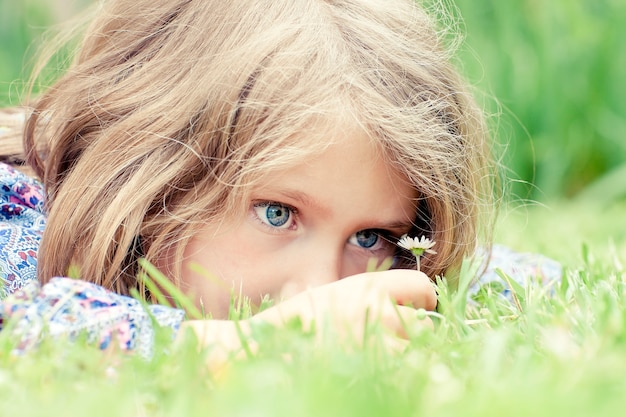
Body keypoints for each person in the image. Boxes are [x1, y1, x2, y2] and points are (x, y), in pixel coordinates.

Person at [0, 0, 559, 361]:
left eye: (370, 238)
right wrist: (251, 345)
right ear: (146, 175)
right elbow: (26, 329)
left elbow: (507, 275)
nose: (318, 288)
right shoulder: (16, 214)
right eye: (277, 214)